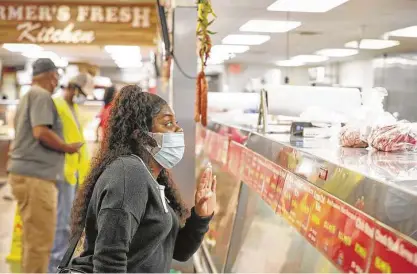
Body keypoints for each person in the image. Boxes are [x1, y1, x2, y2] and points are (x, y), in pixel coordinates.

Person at [69, 85, 216, 273]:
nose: (178, 130)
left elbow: (178, 251)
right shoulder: (129, 175)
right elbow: (109, 261)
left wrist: (201, 217)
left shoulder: (152, 178)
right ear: (142, 137)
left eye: (176, 123)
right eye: (167, 123)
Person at [7, 58, 82, 273]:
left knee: (32, 241)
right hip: (36, 179)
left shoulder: (28, 95)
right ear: (51, 75)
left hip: (27, 175)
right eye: (57, 76)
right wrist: (67, 147)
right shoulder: (40, 95)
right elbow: (41, 132)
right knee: (41, 241)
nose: (57, 81)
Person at [48, 74, 91, 272]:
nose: (79, 96)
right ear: (72, 88)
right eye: (79, 92)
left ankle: (63, 262)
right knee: (61, 222)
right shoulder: (56, 105)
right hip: (63, 171)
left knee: (70, 221)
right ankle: (55, 266)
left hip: (74, 171)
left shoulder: (72, 108)